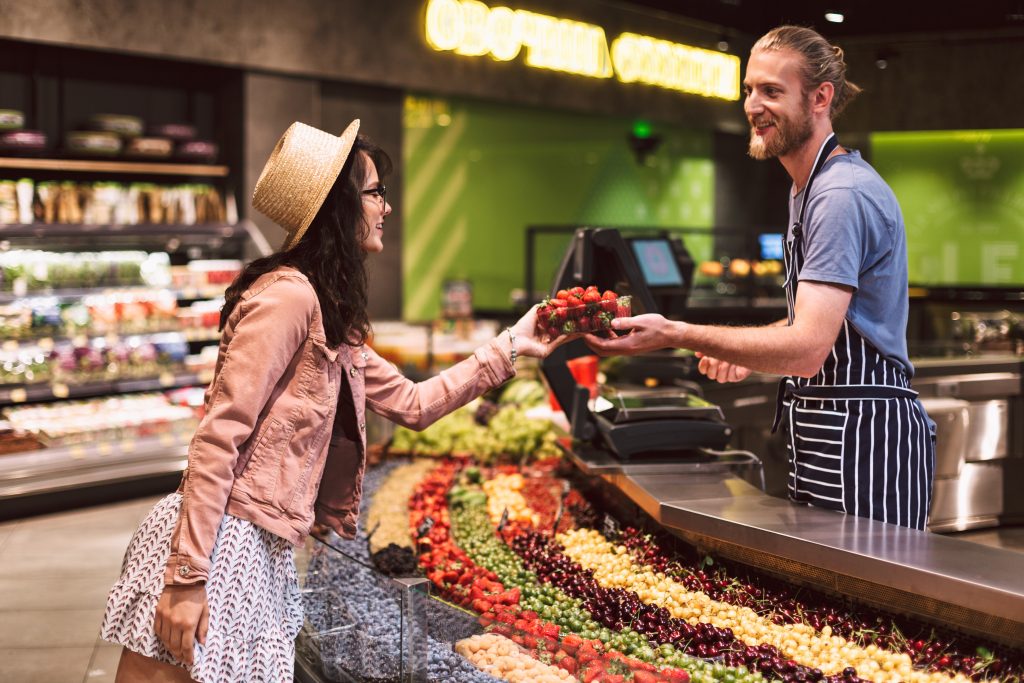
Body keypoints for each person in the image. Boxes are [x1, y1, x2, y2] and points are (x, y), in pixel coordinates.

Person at [100, 119, 565, 682]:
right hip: (216, 544)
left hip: (259, 552)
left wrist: (514, 343)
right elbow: (219, 436)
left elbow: (415, 405)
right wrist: (184, 577)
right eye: (375, 193)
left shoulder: (330, 315)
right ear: (337, 208)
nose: (386, 208)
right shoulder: (289, 298)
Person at [587, 26, 935, 531]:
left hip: (867, 439)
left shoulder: (840, 194)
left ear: (820, 98)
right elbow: (826, 323)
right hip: (827, 429)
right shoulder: (806, 189)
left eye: (772, 91)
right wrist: (745, 351)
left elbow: (809, 347)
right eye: (749, 90)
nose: (753, 105)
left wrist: (675, 334)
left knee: (872, 605)